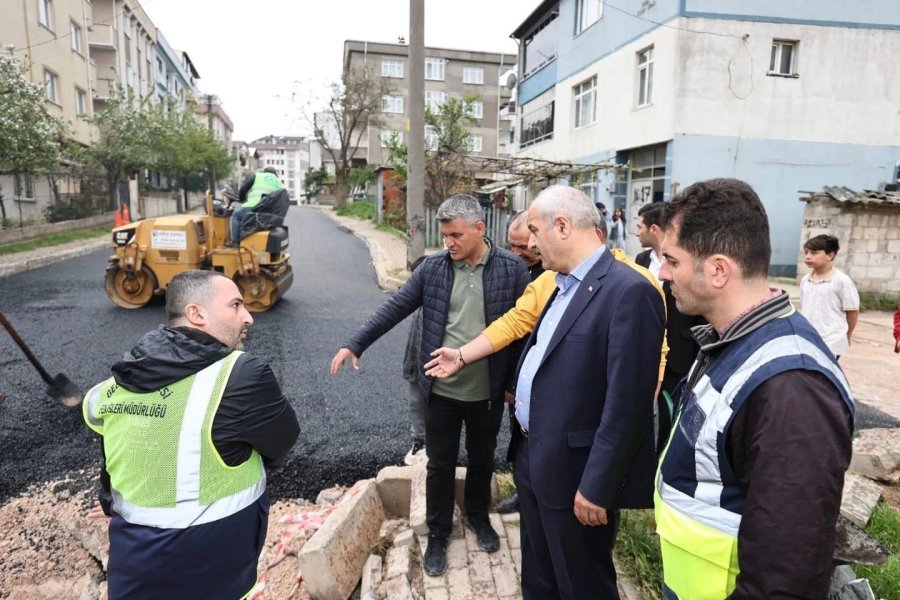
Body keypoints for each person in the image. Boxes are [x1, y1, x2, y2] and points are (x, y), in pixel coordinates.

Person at [655, 178, 854, 599]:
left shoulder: (792, 387)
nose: (663, 272)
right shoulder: (729, 341)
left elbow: (786, 575)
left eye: (672, 260)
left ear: (718, 270)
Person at [330, 194, 529, 577]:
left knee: (483, 458)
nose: (448, 243)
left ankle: (477, 516)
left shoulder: (511, 269)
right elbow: (395, 307)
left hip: (486, 389)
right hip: (440, 391)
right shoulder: (434, 268)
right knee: (439, 463)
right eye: (444, 235)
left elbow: (522, 332)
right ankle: (438, 532)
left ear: (479, 229)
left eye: (455, 235)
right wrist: (355, 343)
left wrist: (512, 381)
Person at [82, 270, 300, 599]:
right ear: (197, 314)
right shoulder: (242, 376)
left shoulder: (122, 380)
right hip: (212, 573)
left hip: (133, 571)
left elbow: (114, 449)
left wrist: (108, 497)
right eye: (236, 305)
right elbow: (281, 445)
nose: (249, 317)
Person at [512, 186, 665, 598]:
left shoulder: (629, 291)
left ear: (562, 226)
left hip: (577, 475)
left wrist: (598, 485)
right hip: (533, 459)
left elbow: (628, 404)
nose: (529, 241)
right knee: (540, 577)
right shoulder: (561, 283)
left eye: (533, 229)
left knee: (582, 584)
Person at [634, 202, 705, 454]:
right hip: (650, 350)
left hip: (680, 354)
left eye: (639, 226)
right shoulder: (641, 260)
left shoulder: (686, 258)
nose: (664, 274)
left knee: (676, 420)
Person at [494, 211, 544, 515]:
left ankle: (541, 495)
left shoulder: (555, 272)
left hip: (548, 375)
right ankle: (522, 494)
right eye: (511, 246)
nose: (516, 253)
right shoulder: (509, 270)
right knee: (518, 436)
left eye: (522, 247)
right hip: (516, 372)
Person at [799, 234, 860, 360]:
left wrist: (847, 334)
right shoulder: (805, 280)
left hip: (831, 341)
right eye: (806, 252)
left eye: (814, 253)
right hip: (808, 338)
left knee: (822, 376)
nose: (808, 256)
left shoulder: (841, 281)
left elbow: (852, 311)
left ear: (830, 255)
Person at [401, 256, 427, 465]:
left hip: (438, 366)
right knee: (416, 403)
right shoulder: (417, 303)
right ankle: (419, 442)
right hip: (415, 362)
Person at [230, 167, 285, 245]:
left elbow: (243, 190)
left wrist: (242, 199)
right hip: (271, 215)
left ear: (264, 172)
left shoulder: (258, 176)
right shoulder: (280, 183)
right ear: (275, 174)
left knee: (236, 214)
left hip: (253, 209)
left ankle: (235, 242)